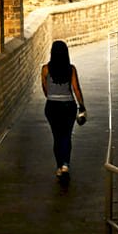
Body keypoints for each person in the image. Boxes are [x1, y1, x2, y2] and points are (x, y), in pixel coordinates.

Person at [41, 40, 86, 177]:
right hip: (68, 106)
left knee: (57, 136)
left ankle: (59, 166)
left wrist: (53, 95)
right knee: (66, 135)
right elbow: (76, 89)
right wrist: (82, 105)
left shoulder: (45, 69)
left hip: (52, 106)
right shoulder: (71, 69)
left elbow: (45, 89)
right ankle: (66, 164)